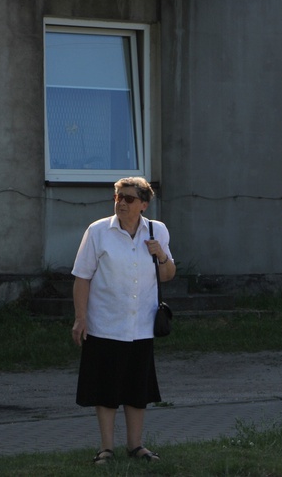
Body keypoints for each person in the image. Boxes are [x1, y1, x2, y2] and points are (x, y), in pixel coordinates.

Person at [71, 177, 176, 465]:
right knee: (106, 390)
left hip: (141, 325)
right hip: (105, 323)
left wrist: (161, 255)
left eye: (129, 198)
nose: (122, 203)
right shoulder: (98, 231)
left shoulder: (157, 231)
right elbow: (82, 278)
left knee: (136, 389)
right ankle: (106, 448)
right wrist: (81, 318)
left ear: (143, 204)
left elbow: (167, 274)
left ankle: (136, 446)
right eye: (118, 197)